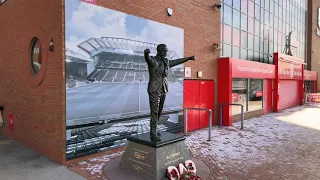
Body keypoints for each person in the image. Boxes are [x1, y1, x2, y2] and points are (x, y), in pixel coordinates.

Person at [144, 44, 195, 141]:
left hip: (163, 89)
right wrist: (146, 54)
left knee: (159, 111)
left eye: (166, 51)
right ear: (159, 51)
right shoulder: (153, 60)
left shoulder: (166, 61)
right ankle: (152, 134)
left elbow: (176, 61)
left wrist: (188, 58)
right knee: (154, 112)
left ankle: (153, 130)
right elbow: (148, 60)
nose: (166, 53)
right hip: (154, 89)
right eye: (164, 51)